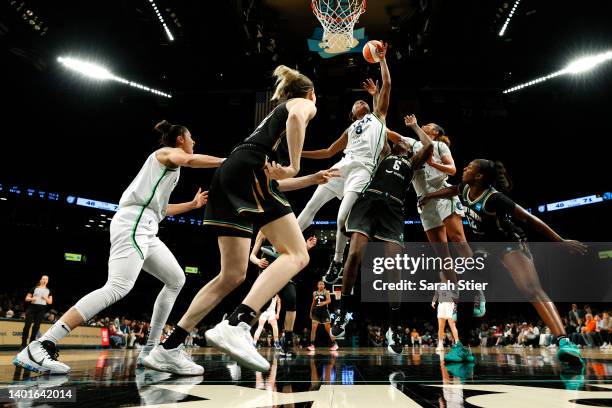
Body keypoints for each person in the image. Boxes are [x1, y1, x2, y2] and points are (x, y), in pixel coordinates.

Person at [145, 65, 339, 374]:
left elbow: (269, 184)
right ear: (310, 93)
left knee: (232, 274)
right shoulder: (302, 104)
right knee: (298, 253)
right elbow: (296, 120)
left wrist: (311, 179)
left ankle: (169, 347)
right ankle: (239, 322)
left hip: (233, 174)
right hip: (247, 171)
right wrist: (295, 165)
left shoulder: (266, 125)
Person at [14, 120, 224, 374]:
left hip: (146, 225)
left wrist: (191, 206)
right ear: (179, 139)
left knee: (176, 278)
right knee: (117, 287)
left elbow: (161, 210)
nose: (195, 142)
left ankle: (150, 350)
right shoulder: (165, 154)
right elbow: (192, 161)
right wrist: (228, 161)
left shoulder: (168, 170)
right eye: (191, 137)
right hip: (134, 223)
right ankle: (41, 345)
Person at [420, 159, 587, 365]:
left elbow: (529, 218)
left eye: (470, 167)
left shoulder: (495, 199)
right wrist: (429, 195)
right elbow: (452, 190)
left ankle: (565, 343)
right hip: (485, 250)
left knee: (530, 289)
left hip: (509, 244)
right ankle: (462, 348)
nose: (465, 168)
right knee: (465, 288)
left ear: (480, 176)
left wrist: (560, 240)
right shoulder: (465, 188)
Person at [330, 114, 433, 356]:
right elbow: (380, 124)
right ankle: (343, 312)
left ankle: (394, 327)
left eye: (407, 144)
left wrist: (415, 127)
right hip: (370, 201)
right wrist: (376, 99)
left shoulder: (412, 163)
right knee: (354, 255)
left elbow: (427, 146)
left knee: (394, 269)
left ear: (409, 151)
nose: (404, 143)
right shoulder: (383, 154)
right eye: (403, 142)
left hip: (393, 208)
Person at [296, 43, 391, 285]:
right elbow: (328, 151)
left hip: (363, 170)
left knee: (341, 219)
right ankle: (290, 245)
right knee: (310, 206)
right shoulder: (351, 128)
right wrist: (299, 152)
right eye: (356, 103)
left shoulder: (377, 117)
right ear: (352, 113)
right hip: (342, 165)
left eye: (363, 101)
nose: (361, 102)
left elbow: (387, 86)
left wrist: (381, 60)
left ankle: (337, 261)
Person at [249, 231, 318, 357]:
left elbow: (294, 253)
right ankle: (242, 332)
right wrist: (258, 261)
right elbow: (252, 256)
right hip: (267, 270)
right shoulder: (264, 231)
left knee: (291, 299)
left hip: (284, 269)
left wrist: (306, 247)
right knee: (264, 304)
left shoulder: (285, 226)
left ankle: (287, 342)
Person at [21, 275, 53, 349]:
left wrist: (45, 298)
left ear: (47, 281)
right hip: (32, 308)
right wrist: (32, 298)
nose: (45, 280)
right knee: (27, 325)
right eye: (43, 279)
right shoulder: (34, 288)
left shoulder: (49, 291)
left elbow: (50, 302)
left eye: (46, 279)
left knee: (36, 327)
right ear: (40, 280)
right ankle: (23, 344)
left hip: (41, 309)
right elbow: (27, 298)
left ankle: (31, 344)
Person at [432, 275, 460, 352]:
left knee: (452, 325)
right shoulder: (438, 285)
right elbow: (436, 295)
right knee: (440, 327)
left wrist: (454, 305)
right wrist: (433, 301)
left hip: (449, 305)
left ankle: (458, 344)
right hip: (441, 306)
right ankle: (440, 345)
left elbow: (456, 296)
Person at [307, 281, 338, 351]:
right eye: (320, 284)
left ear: (324, 286)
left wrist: (323, 303)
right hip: (316, 313)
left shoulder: (326, 292)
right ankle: (312, 345)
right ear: (317, 285)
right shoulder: (314, 293)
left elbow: (329, 300)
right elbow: (313, 303)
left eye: (323, 284)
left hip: (324, 312)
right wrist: (310, 312)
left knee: (328, 329)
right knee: (313, 328)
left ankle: (335, 343)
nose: (321, 285)